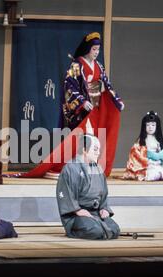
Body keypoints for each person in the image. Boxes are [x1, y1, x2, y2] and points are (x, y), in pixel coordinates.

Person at [8, 32, 125, 178]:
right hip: (84, 110)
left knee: (94, 137)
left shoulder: (99, 66)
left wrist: (116, 100)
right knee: (81, 137)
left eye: (98, 49)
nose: (96, 52)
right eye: (94, 49)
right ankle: (70, 165)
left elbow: (107, 85)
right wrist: (82, 102)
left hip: (96, 107)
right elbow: (69, 86)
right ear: (87, 48)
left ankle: (90, 164)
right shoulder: (77, 65)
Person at [56, 134, 120, 240]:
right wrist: (77, 210)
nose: (98, 153)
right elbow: (66, 193)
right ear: (84, 150)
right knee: (95, 231)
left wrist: (104, 209)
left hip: (95, 212)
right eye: (95, 149)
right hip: (76, 215)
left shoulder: (98, 169)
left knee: (115, 229)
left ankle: (101, 227)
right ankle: (75, 230)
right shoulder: (70, 168)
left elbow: (104, 194)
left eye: (98, 150)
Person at [123, 111, 163, 181]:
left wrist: (161, 158)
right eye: (148, 125)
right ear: (144, 126)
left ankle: (160, 173)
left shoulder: (159, 140)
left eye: (153, 125)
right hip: (148, 165)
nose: (150, 127)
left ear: (157, 126)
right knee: (151, 175)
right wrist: (150, 156)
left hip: (159, 164)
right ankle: (157, 174)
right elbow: (134, 152)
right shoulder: (141, 142)